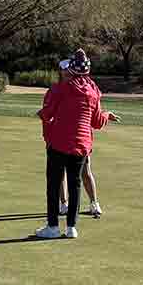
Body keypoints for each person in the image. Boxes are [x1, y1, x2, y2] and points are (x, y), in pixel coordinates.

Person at [34, 49, 119, 239]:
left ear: (71, 69)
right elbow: (97, 122)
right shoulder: (94, 90)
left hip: (59, 143)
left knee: (54, 184)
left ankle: (53, 227)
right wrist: (107, 116)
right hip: (81, 144)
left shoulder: (61, 88)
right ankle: (71, 227)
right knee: (75, 184)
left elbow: (48, 113)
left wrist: (41, 114)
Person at [52, 63, 105, 219]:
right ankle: (64, 204)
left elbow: (94, 116)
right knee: (61, 172)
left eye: (69, 70)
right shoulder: (60, 89)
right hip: (61, 137)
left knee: (85, 171)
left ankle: (94, 203)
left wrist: (105, 116)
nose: (66, 73)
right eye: (64, 70)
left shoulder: (88, 88)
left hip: (81, 139)